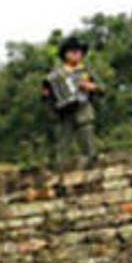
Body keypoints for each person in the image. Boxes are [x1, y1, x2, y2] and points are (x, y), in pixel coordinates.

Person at [42, 35, 102, 165]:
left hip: (83, 109)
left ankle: (92, 166)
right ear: (65, 54)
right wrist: (47, 94)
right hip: (64, 113)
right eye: (72, 51)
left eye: (78, 51)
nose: (76, 54)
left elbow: (102, 89)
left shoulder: (86, 71)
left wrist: (91, 87)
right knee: (62, 146)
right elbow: (47, 94)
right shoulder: (56, 74)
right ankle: (60, 173)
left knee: (87, 141)